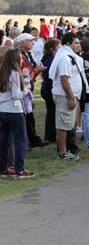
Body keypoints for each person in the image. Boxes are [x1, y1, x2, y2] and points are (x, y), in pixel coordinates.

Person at [49, 33, 88, 160]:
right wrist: (71, 98)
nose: (79, 45)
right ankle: (63, 152)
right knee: (63, 124)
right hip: (65, 96)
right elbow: (64, 79)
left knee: (68, 124)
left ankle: (67, 149)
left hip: (71, 95)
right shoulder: (65, 58)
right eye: (76, 43)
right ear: (68, 44)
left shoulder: (70, 56)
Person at [0, 49, 35, 178]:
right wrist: (26, 87)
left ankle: (3, 168)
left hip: (2, 110)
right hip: (14, 110)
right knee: (20, 141)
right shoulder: (15, 73)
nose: (21, 61)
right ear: (15, 60)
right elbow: (16, 95)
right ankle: (19, 170)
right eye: (20, 59)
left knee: (3, 141)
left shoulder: (2, 72)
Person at [17, 33, 49, 148]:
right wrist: (37, 70)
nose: (32, 43)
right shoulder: (20, 56)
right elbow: (27, 74)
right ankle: (30, 140)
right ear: (22, 43)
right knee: (26, 116)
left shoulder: (25, 54)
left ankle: (31, 139)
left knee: (28, 115)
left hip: (26, 89)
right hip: (23, 90)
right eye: (30, 41)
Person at [41, 38, 61, 143]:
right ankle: (50, 136)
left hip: (46, 88)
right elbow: (50, 76)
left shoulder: (47, 58)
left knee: (51, 112)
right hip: (49, 88)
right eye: (58, 47)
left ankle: (50, 135)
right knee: (52, 113)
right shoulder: (50, 60)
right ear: (52, 49)